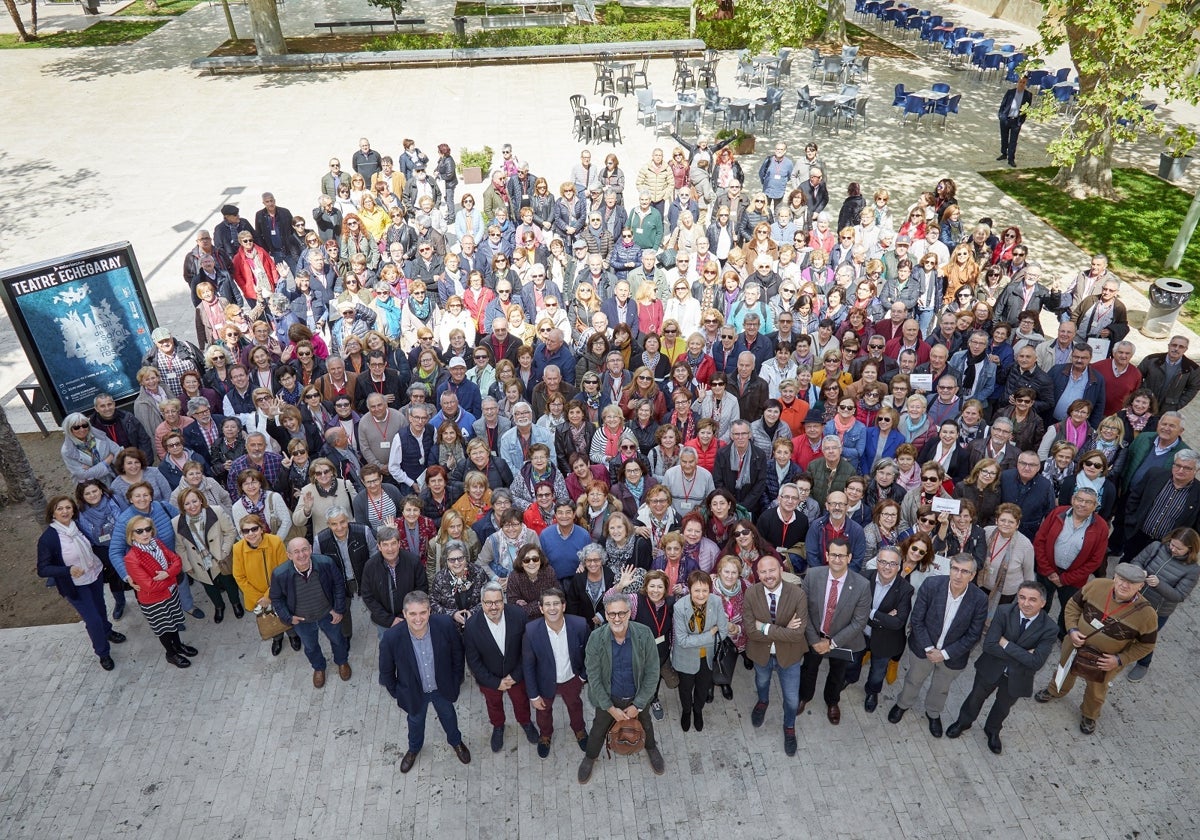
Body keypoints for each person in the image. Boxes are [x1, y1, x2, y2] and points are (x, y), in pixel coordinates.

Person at [1034, 564, 1159, 735]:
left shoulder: (1147, 614)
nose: (1124, 585)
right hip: (1075, 645)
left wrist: (1119, 660)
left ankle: (1089, 714)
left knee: (1097, 690)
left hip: (1106, 660)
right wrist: (1072, 629)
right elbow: (1073, 606)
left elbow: (1147, 645)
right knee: (1064, 671)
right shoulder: (1097, 585)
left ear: (1140, 586)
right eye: (1121, 579)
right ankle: (1054, 691)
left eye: (1131, 582)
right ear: (1114, 577)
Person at [945, 581, 1058, 754]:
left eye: (1032, 599)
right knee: (975, 697)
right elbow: (989, 645)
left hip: (1018, 676)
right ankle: (964, 722)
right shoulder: (1004, 611)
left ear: (1043, 603)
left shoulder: (1050, 628)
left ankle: (992, 730)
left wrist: (1005, 644)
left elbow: (1036, 662)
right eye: (1022, 597)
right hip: (990, 667)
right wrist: (1024, 655)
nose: (1026, 603)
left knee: (1003, 707)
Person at [888, 555, 988, 737]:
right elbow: (917, 619)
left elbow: (973, 635)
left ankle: (933, 713)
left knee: (940, 688)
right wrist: (929, 648)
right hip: (923, 649)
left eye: (964, 571)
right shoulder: (932, 585)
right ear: (949, 569)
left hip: (952, 657)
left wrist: (944, 654)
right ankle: (903, 704)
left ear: (972, 576)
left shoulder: (979, 599)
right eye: (955, 569)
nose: (958, 575)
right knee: (913, 679)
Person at [577, 592, 666, 784]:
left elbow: (652, 671)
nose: (617, 618)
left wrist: (639, 704)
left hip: (638, 696)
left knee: (646, 724)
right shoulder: (595, 638)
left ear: (629, 612)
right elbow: (593, 677)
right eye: (612, 614)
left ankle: (650, 747)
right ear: (606, 615)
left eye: (621, 613)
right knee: (598, 728)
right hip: (608, 698)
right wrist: (610, 708)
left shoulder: (644, 634)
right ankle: (590, 756)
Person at [379, 591, 471, 772]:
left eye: (422, 612)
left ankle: (456, 741)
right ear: (404, 614)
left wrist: (456, 679)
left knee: (449, 716)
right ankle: (414, 749)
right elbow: (386, 672)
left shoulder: (444, 625)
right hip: (414, 692)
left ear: (429, 611)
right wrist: (399, 693)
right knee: (415, 722)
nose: (418, 618)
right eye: (412, 614)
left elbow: (457, 654)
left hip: (442, 688)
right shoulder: (391, 638)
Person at [37, 496, 127, 671]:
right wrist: (67, 570)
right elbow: (42, 569)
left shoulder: (76, 526)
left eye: (68, 508)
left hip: (94, 575)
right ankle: (103, 653)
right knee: (92, 619)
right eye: (60, 508)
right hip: (74, 585)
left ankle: (107, 631)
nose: (65, 511)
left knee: (100, 608)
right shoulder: (48, 538)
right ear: (52, 513)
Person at [463, 581, 542, 752]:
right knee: (493, 704)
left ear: (503, 600)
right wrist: (494, 683)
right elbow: (473, 661)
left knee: (521, 702)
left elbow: (527, 650)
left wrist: (516, 675)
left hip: (516, 675)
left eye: (498, 602)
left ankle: (526, 722)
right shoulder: (471, 626)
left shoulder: (518, 615)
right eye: (488, 602)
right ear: (481, 602)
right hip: (489, 679)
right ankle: (498, 726)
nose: (493, 607)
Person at [800, 538, 871, 725]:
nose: (837, 559)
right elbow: (803, 610)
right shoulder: (813, 575)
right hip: (814, 636)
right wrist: (815, 640)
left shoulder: (862, 585)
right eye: (833, 555)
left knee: (838, 674)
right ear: (826, 556)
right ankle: (804, 697)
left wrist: (831, 643)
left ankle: (832, 701)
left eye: (841, 556)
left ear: (849, 558)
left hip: (842, 640)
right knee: (808, 670)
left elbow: (859, 622)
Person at [744, 554, 808, 756]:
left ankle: (789, 726)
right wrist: (783, 629)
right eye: (763, 572)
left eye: (772, 570)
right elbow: (750, 630)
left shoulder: (798, 595)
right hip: (761, 654)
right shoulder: (751, 594)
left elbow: (797, 634)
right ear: (757, 574)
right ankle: (763, 702)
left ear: (781, 570)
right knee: (761, 683)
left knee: (791, 699)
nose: (768, 575)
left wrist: (764, 627)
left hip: (789, 657)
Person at [269, 538, 350, 688]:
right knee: (311, 646)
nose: (301, 555)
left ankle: (342, 661)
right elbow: (276, 598)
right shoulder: (280, 574)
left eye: (305, 549)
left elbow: (339, 585)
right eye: (296, 551)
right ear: (289, 555)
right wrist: (288, 617)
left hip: (327, 614)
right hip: (302, 620)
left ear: (311, 549)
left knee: (338, 639)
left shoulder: (326, 563)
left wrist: (338, 609)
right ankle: (319, 667)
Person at [122, 515, 198, 668]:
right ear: (132, 535)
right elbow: (149, 585)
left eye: (148, 529)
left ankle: (178, 646)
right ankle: (171, 654)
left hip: (170, 593)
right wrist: (172, 576)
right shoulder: (132, 558)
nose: (145, 534)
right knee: (164, 628)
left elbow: (176, 560)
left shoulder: (156, 543)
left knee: (174, 621)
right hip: (154, 600)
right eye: (139, 531)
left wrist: (167, 573)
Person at [522, 588, 590, 759]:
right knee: (543, 711)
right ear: (541, 608)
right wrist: (533, 695)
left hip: (572, 679)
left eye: (556, 604)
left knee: (575, 706)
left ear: (564, 606)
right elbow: (528, 665)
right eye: (548, 604)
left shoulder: (580, 625)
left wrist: (582, 676)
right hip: (544, 682)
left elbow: (591, 654)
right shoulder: (531, 631)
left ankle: (579, 730)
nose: (552, 608)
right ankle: (545, 735)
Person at [1125, 528, 1200, 682]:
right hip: (1135, 598)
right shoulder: (1156, 547)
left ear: (1190, 549)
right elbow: (1137, 561)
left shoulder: (1192, 570)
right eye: (1172, 544)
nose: (1173, 549)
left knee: (1146, 638)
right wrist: (1140, 571)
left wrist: (1159, 585)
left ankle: (1143, 664)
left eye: (1179, 548)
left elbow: (1179, 596)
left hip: (1157, 610)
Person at [1033, 488, 1109, 638]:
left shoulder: (1101, 527)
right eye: (1080, 500)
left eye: (1088, 502)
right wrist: (1049, 571)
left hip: (1074, 579)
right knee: (1041, 602)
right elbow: (1040, 541)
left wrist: (1065, 579)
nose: (1082, 504)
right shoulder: (1057, 513)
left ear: (1095, 506)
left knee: (1069, 608)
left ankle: (1062, 634)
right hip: (1047, 571)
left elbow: (1095, 560)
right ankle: (1037, 629)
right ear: (1073, 500)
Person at [852, 546, 914, 713]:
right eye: (883, 562)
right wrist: (884, 617)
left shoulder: (906, 589)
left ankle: (872, 692)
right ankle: (850, 679)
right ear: (877, 563)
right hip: (861, 635)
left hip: (886, 640)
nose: (887, 567)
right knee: (853, 662)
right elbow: (852, 608)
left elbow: (898, 622)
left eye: (893, 563)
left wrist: (870, 612)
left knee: (878, 672)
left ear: (899, 566)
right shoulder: (863, 578)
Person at [671, 569, 729, 733]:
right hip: (685, 659)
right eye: (697, 590)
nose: (701, 595)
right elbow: (682, 641)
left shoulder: (716, 602)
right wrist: (710, 633)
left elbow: (723, 632)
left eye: (705, 590)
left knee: (702, 689)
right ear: (689, 590)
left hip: (708, 657)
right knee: (685, 689)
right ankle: (687, 711)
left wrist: (695, 640)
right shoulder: (680, 607)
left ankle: (697, 711)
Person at [359, 525, 429, 639]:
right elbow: (368, 596)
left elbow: (422, 589)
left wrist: (405, 616)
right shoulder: (370, 566)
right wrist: (390, 620)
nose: (390, 549)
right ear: (379, 547)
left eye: (393, 543)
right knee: (388, 651)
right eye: (385, 545)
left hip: (410, 619)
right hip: (384, 624)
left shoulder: (413, 561)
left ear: (399, 544)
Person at [1137, 336, 1200, 414]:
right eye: (1174, 345)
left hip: (1167, 410)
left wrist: (1177, 405)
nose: (1176, 349)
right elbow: (1136, 377)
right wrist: (1140, 394)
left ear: (1185, 349)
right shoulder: (1151, 359)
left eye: (1181, 347)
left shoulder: (1192, 369)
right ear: (1169, 346)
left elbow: (1193, 388)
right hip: (1143, 404)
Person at [996, 75, 1032, 167]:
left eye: (1023, 82)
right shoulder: (1010, 92)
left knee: (1013, 141)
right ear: (1017, 82)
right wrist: (1001, 116)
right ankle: (1004, 153)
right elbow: (1003, 104)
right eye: (1020, 82)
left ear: (1026, 83)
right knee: (1004, 138)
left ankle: (1011, 159)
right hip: (1006, 119)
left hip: (1016, 121)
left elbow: (1026, 110)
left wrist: (1021, 122)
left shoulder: (1028, 95)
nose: (1021, 84)